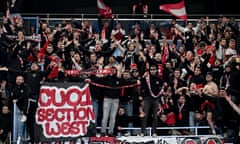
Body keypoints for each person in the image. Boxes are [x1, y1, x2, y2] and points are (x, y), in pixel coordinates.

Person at [140, 64, 163, 137]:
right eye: (151, 70)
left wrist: (159, 99)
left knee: (155, 116)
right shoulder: (146, 78)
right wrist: (143, 76)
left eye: (154, 69)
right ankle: (143, 132)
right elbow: (140, 83)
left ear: (156, 70)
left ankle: (154, 132)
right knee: (145, 115)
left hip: (156, 99)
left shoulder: (159, 79)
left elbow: (162, 89)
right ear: (149, 71)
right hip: (147, 99)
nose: (152, 71)